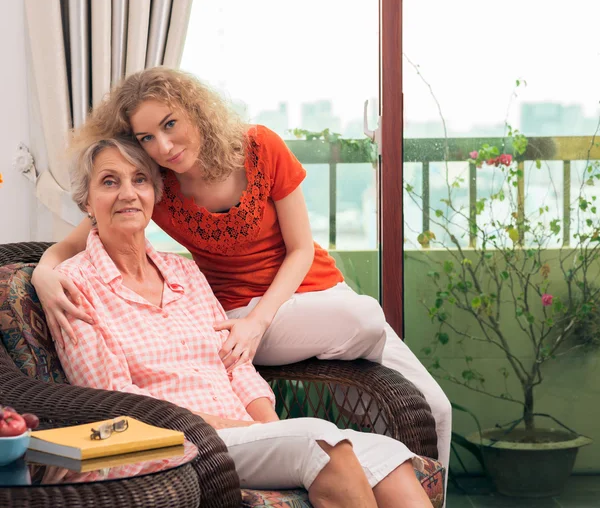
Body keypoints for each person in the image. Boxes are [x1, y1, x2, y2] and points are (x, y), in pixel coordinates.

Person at [31, 67, 451, 472]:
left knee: (435, 409)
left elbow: (301, 249)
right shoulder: (154, 182)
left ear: (195, 110)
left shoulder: (259, 147)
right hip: (238, 319)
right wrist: (42, 274)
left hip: (311, 301)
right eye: (147, 137)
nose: (163, 145)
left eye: (170, 124)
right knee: (364, 319)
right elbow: (80, 238)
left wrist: (260, 321)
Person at [53, 135, 433, 508]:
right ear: (86, 200)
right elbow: (114, 399)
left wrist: (270, 429)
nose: (128, 193)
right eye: (109, 181)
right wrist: (251, 431)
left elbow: (236, 363)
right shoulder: (73, 284)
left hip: (250, 436)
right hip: (181, 440)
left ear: (155, 193)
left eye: (139, 180)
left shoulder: (183, 272)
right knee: (321, 443)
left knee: (389, 458)